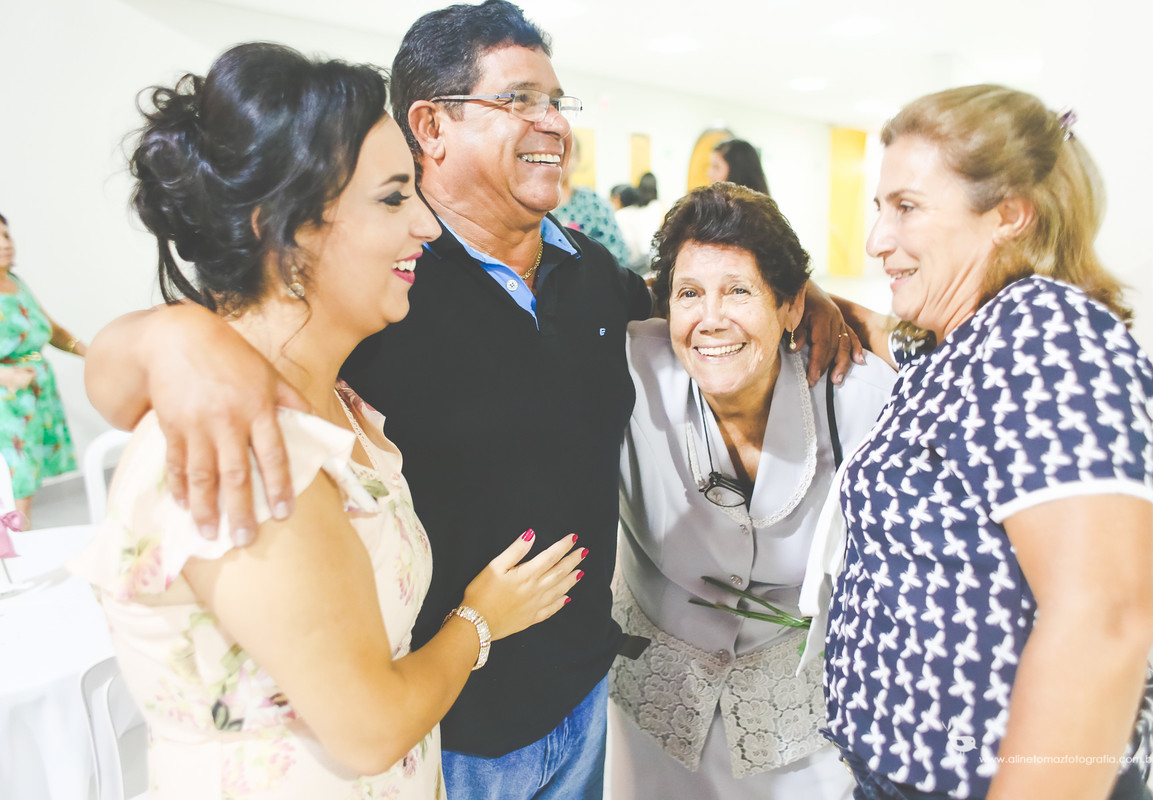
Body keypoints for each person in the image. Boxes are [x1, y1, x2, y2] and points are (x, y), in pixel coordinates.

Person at [83, 3, 861, 797]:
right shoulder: (376, 291)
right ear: (431, 126)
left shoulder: (592, 274)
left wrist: (803, 300)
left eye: (556, 101)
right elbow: (156, 365)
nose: (553, 123)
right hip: (446, 731)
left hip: (579, 696)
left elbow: (702, 310)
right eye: (520, 99)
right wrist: (174, 335)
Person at [73, 42, 583, 798]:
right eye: (393, 199)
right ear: (285, 230)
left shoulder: (333, 394)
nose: (427, 226)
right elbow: (370, 727)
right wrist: (478, 621)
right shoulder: (245, 439)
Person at [822, 85, 1153, 800]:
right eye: (880, 207)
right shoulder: (964, 341)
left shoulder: (1046, 338)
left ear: (1010, 214)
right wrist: (816, 300)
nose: (876, 239)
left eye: (907, 207)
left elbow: (1103, 621)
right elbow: (903, 351)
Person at [608, 183, 897, 799]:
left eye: (739, 291)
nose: (711, 319)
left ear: (792, 306)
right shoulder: (627, 370)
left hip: (797, 728)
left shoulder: (861, 400)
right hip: (653, 713)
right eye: (690, 294)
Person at [0, 211, 86, 524]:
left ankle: (19, 544)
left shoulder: (15, 283)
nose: (5, 244)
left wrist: (93, 353)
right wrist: (7, 375)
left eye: (6, 235)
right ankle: (16, 549)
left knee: (27, 479)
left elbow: (50, 330)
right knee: (17, 481)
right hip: (7, 400)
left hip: (34, 395)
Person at [554, 145, 633, 269]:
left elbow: (618, 252)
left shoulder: (592, 203)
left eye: (568, 154)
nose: (561, 160)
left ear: (577, 159)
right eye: (555, 154)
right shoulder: (528, 205)